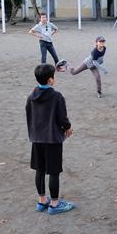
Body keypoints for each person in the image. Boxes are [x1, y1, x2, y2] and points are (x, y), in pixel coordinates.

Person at [26, 64, 75, 214]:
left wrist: (34, 132)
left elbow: (29, 114)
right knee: (53, 171)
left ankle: (42, 201)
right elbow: (62, 118)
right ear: (50, 80)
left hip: (37, 138)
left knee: (39, 170)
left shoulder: (31, 96)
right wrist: (67, 128)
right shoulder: (56, 97)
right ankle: (54, 204)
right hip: (52, 139)